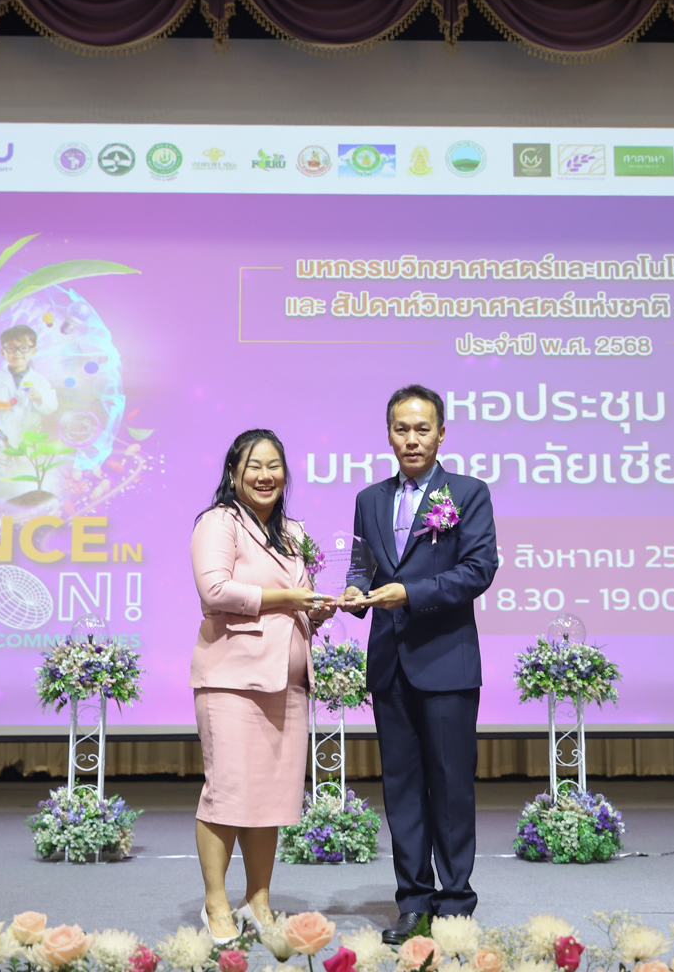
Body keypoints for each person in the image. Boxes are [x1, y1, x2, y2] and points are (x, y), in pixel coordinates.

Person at [341, 385, 497, 942]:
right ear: (388, 434)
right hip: (390, 664)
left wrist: (409, 592)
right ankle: (413, 901)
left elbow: (478, 569)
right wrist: (355, 591)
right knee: (402, 788)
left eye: (422, 429)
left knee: (451, 788)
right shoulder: (370, 498)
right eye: (401, 429)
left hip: (447, 662)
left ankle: (454, 902)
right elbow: (362, 564)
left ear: (441, 434)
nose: (412, 439)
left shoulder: (469, 492)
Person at [189, 429, 335, 943]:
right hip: (232, 680)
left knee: (269, 798)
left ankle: (258, 901)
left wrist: (317, 609)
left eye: (275, 466)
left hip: (287, 683)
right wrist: (289, 597)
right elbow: (215, 589)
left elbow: (298, 601)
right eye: (254, 465)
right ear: (234, 474)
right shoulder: (218, 521)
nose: (265, 475)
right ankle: (215, 904)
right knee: (228, 793)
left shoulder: (293, 532)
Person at [0, 324, 57, 445]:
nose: (17, 352)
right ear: (3, 352)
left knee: (26, 454)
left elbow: (51, 407)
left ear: (33, 351)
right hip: (0, 433)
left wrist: (39, 399)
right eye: (11, 348)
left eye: (24, 348)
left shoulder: (40, 381)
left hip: (29, 436)